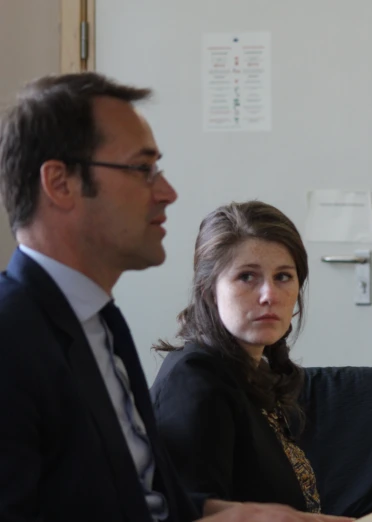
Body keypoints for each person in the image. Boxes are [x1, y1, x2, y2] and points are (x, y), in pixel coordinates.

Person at [0, 72, 346, 522]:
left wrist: (238, 515)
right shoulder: (11, 338)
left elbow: (133, 502)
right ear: (60, 183)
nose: (167, 192)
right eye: (142, 169)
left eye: (284, 278)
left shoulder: (99, 323)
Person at [150, 201, 319, 513]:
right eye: (246, 277)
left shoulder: (252, 372)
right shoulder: (194, 383)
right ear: (208, 290)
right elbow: (191, 513)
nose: (269, 294)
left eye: (283, 276)